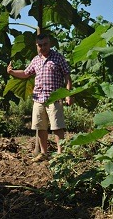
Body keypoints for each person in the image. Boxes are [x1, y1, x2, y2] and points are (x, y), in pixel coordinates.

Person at [7, 33, 73, 162]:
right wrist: (12, 72)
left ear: (50, 44)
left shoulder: (58, 58)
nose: (42, 47)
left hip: (54, 97)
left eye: (45, 44)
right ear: (36, 46)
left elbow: (67, 76)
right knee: (40, 127)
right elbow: (26, 73)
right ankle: (44, 153)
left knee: (57, 127)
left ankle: (60, 154)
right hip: (38, 98)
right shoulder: (36, 60)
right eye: (40, 45)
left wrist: (68, 94)